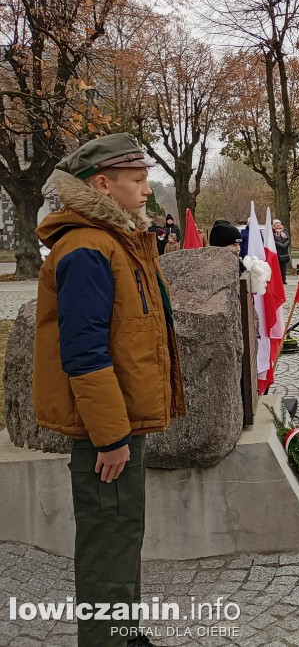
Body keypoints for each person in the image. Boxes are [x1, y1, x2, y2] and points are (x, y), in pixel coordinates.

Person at [34, 134, 186, 647]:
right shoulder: (86, 249)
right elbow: (84, 353)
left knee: (121, 534)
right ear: (103, 184)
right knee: (107, 543)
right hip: (107, 430)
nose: (147, 191)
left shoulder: (113, 240)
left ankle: (125, 633)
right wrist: (110, 437)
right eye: (138, 181)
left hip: (120, 423)